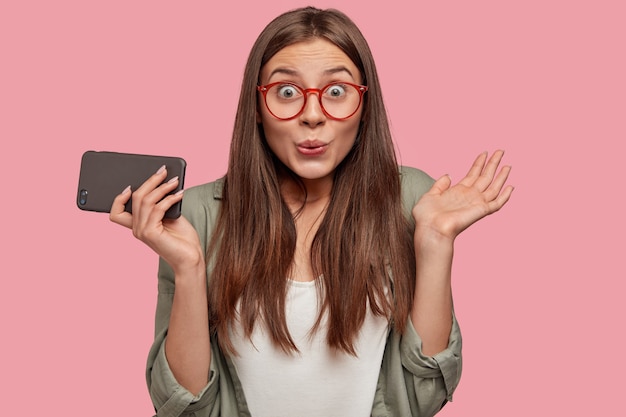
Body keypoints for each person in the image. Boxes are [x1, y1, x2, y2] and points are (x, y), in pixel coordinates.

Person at [110, 6, 513, 417]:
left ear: (365, 104)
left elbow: (421, 397)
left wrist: (436, 243)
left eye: (336, 92)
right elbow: (187, 407)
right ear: (256, 106)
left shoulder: (412, 200)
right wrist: (190, 267)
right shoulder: (196, 215)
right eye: (287, 92)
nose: (313, 115)